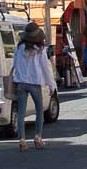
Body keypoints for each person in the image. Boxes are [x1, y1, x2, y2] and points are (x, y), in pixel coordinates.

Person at [12, 22, 56, 152]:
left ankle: (22, 140)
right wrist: (51, 84)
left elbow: (15, 64)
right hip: (34, 83)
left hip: (20, 83)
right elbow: (45, 68)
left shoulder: (18, 48)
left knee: (21, 113)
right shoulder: (40, 50)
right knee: (39, 111)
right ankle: (38, 138)